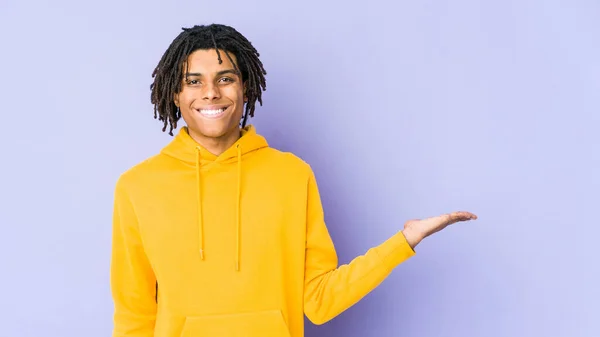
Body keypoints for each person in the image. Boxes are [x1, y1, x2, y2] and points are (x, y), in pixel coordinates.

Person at [109, 23, 477, 337]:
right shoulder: (138, 187)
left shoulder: (291, 175)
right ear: (175, 94)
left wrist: (404, 241)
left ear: (246, 89)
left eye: (226, 79)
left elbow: (319, 301)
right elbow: (135, 314)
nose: (211, 92)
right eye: (194, 81)